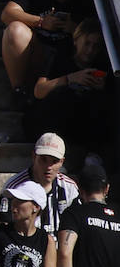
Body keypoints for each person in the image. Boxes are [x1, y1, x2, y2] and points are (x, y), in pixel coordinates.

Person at [1, 0, 93, 105]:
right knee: (15, 30)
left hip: (66, 59)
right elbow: (7, 14)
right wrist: (41, 22)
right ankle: (19, 90)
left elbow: (95, 32)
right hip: (38, 52)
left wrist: (75, 29)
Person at [26, 17, 117, 166]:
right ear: (76, 40)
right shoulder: (59, 59)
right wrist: (69, 79)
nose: (90, 50)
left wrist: (102, 89)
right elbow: (39, 91)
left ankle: (94, 155)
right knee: (63, 95)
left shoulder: (102, 67)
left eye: (96, 46)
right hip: (53, 122)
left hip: (82, 126)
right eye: (87, 43)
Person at [58, 164, 120, 267]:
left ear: (80, 189)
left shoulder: (74, 214)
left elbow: (64, 253)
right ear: (107, 188)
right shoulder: (118, 217)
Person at [0, 132, 79, 234]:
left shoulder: (69, 188)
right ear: (34, 156)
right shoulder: (14, 187)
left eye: (54, 161)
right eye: (43, 159)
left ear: (62, 162)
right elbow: (3, 229)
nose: (48, 167)